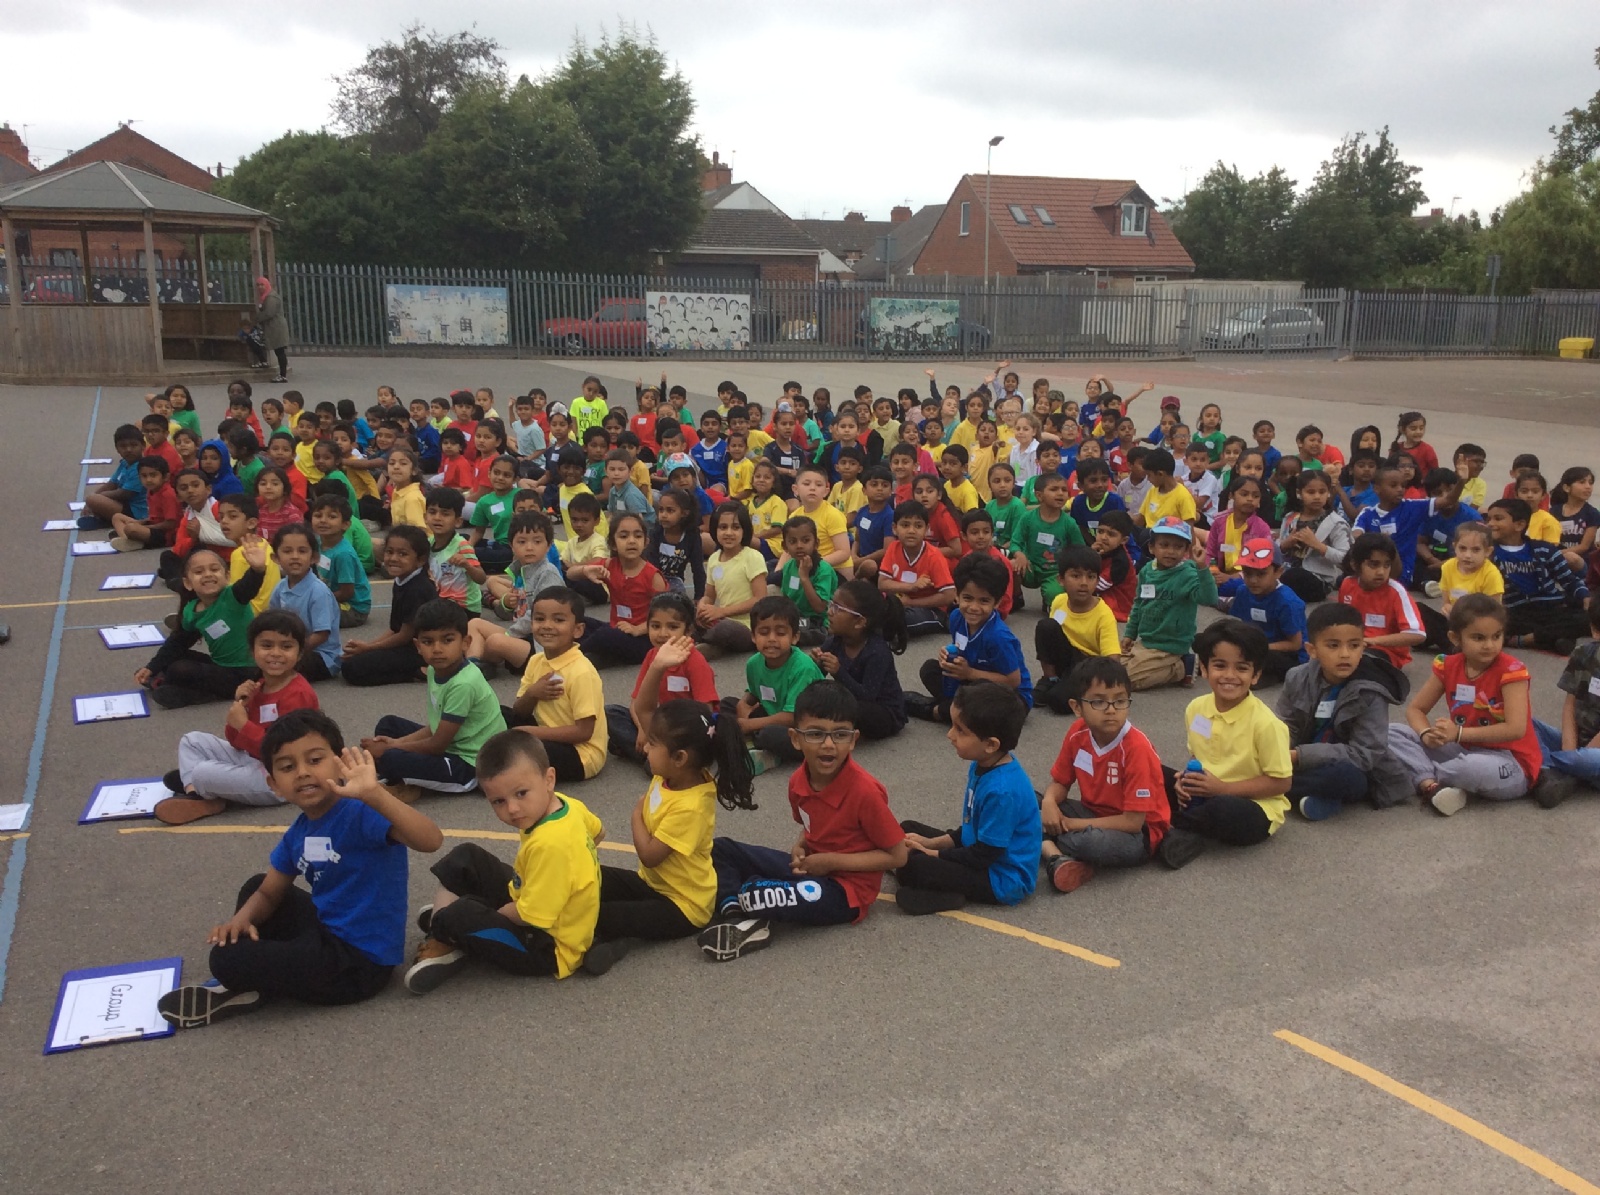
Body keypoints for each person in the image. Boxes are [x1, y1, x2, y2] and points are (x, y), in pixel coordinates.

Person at [157, 711, 442, 1028]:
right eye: (287, 767)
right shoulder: (298, 833)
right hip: (326, 932)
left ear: (339, 763)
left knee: (225, 959)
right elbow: (268, 893)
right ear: (274, 785)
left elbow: (431, 840)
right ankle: (259, 971)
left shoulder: (362, 811)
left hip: (360, 964)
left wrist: (375, 793)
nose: (303, 772)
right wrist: (241, 920)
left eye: (315, 760)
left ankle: (250, 981)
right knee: (255, 887)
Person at [699, 682, 908, 961]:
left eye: (840, 734)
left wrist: (830, 862)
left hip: (846, 893)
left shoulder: (865, 792)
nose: (829, 744)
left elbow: (897, 856)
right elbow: (809, 827)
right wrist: (801, 846)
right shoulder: (798, 781)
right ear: (795, 739)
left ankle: (739, 906)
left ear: (853, 740)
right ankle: (736, 914)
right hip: (811, 869)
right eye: (815, 734)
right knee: (720, 849)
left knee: (755, 891)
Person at [403, 731, 604, 992]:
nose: (512, 809)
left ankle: (447, 935)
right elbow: (598, 833)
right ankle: (445, 924)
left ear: (549, 779)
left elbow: (530, 917)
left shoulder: (551, 844)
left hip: (548, 946)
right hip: (530, 899)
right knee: (466, 856)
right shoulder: (567, 804)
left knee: (462, 913)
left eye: (521, 793)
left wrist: (490, 916)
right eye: (499, 801)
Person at [158, 610, 319, 824]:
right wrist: (241, 706)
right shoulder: (258, 686)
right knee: (192, 740)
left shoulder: (297, 694)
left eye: (286, 646)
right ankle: (196, 795)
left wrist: (244, 725)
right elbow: (236, 742)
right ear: (252, 651)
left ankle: (204, 788)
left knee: (203, 772)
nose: (276, 653)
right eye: (267, 645)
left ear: (299, 654)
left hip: (281, 778)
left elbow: (287, 754)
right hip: (255, 759)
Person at [1387, 595, 1541, 816]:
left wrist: (1458, 733)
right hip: (1462, 748)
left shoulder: (1512, 671)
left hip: (1510, 761)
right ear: (1455, 638)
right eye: (1478, 638)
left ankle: (1417, 775)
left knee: (1468, 768)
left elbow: (1515, 729)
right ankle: (1431, 785)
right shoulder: (1448, 665)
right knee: (1391, 732)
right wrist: (1425, 734)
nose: (1489, 645)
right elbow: (1416, 709)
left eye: (1496, 636)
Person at [1158, 620, 1294, 869]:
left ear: (1255, 675)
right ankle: (1179, 824)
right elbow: (1198, 757)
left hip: (1252, 805)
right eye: (1220, 665)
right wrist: (1184, 779)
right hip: (1206, 792)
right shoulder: (1196, 708)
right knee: (1151, 771)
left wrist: (1222, 788)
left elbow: (1281, 783)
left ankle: (1167, 824)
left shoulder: (1267, 725)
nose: (1230, 676)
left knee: (1223, 809)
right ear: (1204, 668)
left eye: (1242, 668)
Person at [895, 682, 1040, 914]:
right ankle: (928, 878)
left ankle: (946, 893)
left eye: (960, 730)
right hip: (981, 850)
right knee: (907, 829)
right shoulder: (983, 763)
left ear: (990, 744)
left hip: (1002, 878)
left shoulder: (1002, 791)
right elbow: (972, 826)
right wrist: (930, 843)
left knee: (916, 865)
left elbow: (984, 854)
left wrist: (934, 854)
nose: (950, 735)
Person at [1039, 656, 1170, 891]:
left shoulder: (1137, 748)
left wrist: (1073, 824)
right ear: (1076, 707)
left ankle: (1044, 844)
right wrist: (1049, 801)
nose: (1111, 710)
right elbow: (1061, 782)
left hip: (1137, 834)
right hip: (1092, 813)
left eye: (1120, 701)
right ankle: (1056, 856)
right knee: (1026, 799)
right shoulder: (1077, 733)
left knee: (1091, 843)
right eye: (1098, 702)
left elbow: (1132, 822)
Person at [1276, 604, 1411, 820]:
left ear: (1363, 646)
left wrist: (1298, 756)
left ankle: (1271, 788)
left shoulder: (1371, 690)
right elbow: (1285, 724)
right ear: (1312, 650)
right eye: (1333, 645)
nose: (1345, 654)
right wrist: (1278, 749)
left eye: (1354, 645)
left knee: (1344, 777)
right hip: (1302, 760)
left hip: (1355, 769)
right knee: (1258, 750)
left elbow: (1364, 755)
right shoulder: (1297, 677)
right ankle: (1307, 795)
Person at [361, 599, 507, 800]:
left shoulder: (464, 683)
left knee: (391, 758)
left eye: (447, 640)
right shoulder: (433, 670)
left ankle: (405, 782)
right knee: (388, 725)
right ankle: (405, 777)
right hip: (451, 744)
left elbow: (437, 744)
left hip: (472, 765)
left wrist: (391, 748)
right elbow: (436, 727)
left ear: (466, 642)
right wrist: (396, 742)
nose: (437, 649)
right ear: (418, 645)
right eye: (428, 642)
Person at [137, 542, 270, 709]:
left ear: (227, 576)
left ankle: (195, 694)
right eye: (199, 572)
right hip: (220, 667)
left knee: (179, 669)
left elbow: (249, 585)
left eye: (214, 569)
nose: (208, 575)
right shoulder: (191, 610)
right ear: (188, 583)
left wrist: (257, 570)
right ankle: (164, 680)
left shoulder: (234, 597)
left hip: (247, 673)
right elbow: (177, 643)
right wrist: (151, 667)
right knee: (172, 658)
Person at [910, 553, 1032, 723]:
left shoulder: (998, 636)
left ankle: (935, 710)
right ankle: (953, 707)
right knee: (930, 669)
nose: (974, 607)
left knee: (977, 698)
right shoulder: (956, 617)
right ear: (957, 596)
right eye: (967, 598)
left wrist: (970, 673)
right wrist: (949, 656)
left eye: (984, 601)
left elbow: (1013, 681)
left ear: (997, 602)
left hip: (1011, 697)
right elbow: (961, 648)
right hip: (973, 679)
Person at [606, 593, 719, 763]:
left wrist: (656, 739)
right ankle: (654, 755)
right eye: (655, 626)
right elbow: (636, 702)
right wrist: (643, 731)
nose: (662, 633)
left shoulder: (695, 661)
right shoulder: (652, 656)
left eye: (673, 627)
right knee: (611, 713)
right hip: (658, 721)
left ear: (688, 630)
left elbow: (705, 713)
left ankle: (655, 757)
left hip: (686, 727)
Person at [1122, 517, 1218, 691]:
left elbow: (1209, 599)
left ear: (1186, 550)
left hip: (1170, 646)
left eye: (1178, 546)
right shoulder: (1147, 571)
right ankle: (1151, 664)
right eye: (1164, 545)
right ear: (1152, 547)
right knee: (1114, 670)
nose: (1170, 551)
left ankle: (1182, 666)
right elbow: (1139, 604)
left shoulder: (1187, 573)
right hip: (1146, 641)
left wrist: (1202, 568)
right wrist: (1130, 634)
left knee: (1129, 681)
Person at [1486, 498, 1589, 654]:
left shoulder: (1544, 549)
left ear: (1519, 525)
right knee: (1496, 623)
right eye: (1489, 519)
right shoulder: (1488, 553)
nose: (1490, 523)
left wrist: (1585, 597)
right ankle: (1555, 639)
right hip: (1515, 612)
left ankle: (1530, 639)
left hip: (1551, 608)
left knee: (1586, 618)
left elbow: (1570, 581)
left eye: (1498, 519)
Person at [341, 525, 439, 687]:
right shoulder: (402, 580)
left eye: (403, 554)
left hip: (419, 650)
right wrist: (368, 646)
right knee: (351, 661)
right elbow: (395, 628)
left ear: (420, 560)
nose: (393, 558)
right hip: (407, 644)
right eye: (389, 552)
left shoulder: (417, 589)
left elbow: (405, 635)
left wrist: (369, 649)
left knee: (353, 669)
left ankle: (417, 671)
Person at [813, 578, 907, 741]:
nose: (829, 612)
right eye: (831, 604)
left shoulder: (877, 651)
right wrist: (815, 664)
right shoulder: (835, 641)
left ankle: (834, 730)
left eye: (838, 608)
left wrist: (838, 672)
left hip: (883, 713)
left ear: (859, 622)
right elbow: (818, 676)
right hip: (853, 700)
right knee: (821, 697)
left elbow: (867, 696)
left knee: (849, 707)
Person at [1531, 594, 1600, 806]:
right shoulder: (1583, 654)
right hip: (1579, 741)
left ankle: (1547, 771)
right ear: (1594, 631)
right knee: (1527, 724)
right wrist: (1569, 750)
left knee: (1588, 760)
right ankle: (1568, 773)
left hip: (1594, 752)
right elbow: (1570, 703)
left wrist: (1580, 756)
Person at [1034, 545, 1120, 714]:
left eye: (1091, 577)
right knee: (1046, 626)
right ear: (1061, 579)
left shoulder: (1104, 614)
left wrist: (1104, 688)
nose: (1083, 583)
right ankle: (1050, 678)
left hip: (1089, 666)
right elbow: (1050, 639)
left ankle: (1064, 686)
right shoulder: (1059, 601)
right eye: (1076, 576)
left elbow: (1112, 659)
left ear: (1097, 581)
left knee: (1058, 701)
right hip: (1066, 657)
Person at [1337, 533, 1425, 669]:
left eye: (1386, 565)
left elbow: (1417, 634)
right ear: (1355, 565)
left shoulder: (1396, 591)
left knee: (1361, 663)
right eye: (1374, 565)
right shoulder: (1347, 584)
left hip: (1385, 652)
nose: (1381, 572)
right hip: (1352, 646)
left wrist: (1372, 641)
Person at [267, 525, 342, 680]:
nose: (295, 556)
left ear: (314, 558)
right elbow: (272, 623)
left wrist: (292, 652)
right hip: (290, 649)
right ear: (276, 558)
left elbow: (321, 634)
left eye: (302, 551)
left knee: (278, 668)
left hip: (321, 656)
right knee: (262, 661)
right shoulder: (280, 587)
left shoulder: (318, 591)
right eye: (287, 551)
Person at [1228, 539, 1307, 687]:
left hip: (1287, 655)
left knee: (1263, 658)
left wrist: (1260, 647)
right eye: (1247, 573)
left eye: (1261, 574)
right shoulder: (1243, 591)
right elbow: (1241, 625)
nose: (1253, 580)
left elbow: (1295, 644)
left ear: (1278, 572)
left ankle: (1268, 674)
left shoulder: (1287, 602)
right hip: (1256, 644)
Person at [697, 502, 770, 655]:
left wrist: (721, 612)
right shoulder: (714, 559)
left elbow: (760, 599)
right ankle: (708, 645)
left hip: (748, 626)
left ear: (744, 530)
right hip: (722, 619)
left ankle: (701, 643)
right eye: (723, 527)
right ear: (715, 530)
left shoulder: (752, 557)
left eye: (735, 527)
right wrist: (702, 607)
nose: (729, 533)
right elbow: (709, 596)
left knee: (725, 629)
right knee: (684, 610)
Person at [1277, 470, 1350, 604]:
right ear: (1299, 493)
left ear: (1328, 492)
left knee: (1295, 576)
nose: (1317, 497)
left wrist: (1317, 545)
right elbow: (1276, 552)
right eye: (1311, 492)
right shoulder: (1290, 518)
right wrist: (1285, 545)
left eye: (1322, 492)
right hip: (1286, 571)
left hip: (1318, 580)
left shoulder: (1335, 522)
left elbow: (1345, 558)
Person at [776, 516, 838, 646]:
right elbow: (786, 598)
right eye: (792, 541)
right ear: (785, 546)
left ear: (816, 544)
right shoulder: (788, 567)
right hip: (798, 617)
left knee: (807, 632)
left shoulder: (824, 570)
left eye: (805, 540)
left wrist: (804, 577)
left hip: (819, 620)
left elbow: (819, 608)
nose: (799, 546)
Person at [108, 455, 181, 551]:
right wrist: (141, 522)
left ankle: (131, 539)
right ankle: (128, 540)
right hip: (153, 527)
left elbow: (171, 524)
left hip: (166, 535)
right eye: (144, 476)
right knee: (117, 517)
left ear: (166, 477)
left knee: (131, 528)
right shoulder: (151, 491)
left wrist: (146, 527)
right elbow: (154, 517)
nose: (148, 480)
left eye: (153, 475)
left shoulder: (167, 494)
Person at [249, 276, 291, 382]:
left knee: (279, 350)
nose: (260, 287)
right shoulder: (266, 296)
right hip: (271, 327)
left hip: (276, 327)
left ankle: (283, 375)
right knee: (255, 340)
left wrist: (257, 318)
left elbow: (269, 313)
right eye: (258, 285)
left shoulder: (271, 297)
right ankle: (264, 361)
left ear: (267, 285)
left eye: (262, 285)